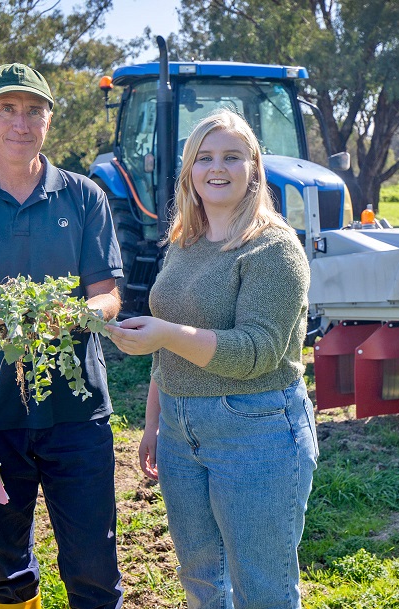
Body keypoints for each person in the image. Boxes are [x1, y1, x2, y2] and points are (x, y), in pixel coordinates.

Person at [0, 63, 124, 609]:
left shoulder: (84, 198)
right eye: (8, 110)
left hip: (76, 414)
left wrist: (76, 315)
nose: (21, 122)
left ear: (49, 121)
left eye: (33, 110)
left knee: (93, 565)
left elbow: (107, 294)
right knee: (1, 564)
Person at [105, 110, 319, 609]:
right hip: (181, 432)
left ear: (254, 169)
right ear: (189, 172)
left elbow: (256, 352)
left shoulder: (274, 249)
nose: (215, 167)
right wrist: (154, 422)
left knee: (262, 589)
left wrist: (165, 333)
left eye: (230, 156)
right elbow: (168, 345)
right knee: (201, 579)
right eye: (204, 157)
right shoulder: (184, 242)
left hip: (256, 429)